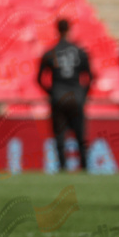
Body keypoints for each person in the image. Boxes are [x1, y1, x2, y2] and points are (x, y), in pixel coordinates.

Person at [37, 19, 93, 171]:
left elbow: (39, 79)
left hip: (58, 96)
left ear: (57, 30)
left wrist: (51, 92)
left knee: (59, 134)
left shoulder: (50, 52)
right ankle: (84, 166)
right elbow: (90, 77)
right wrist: (83, 94)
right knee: (80, 134)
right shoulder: (80, 52)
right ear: (69, 30)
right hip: (76, 96)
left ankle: (62, 167)